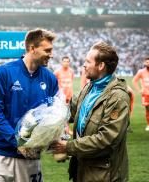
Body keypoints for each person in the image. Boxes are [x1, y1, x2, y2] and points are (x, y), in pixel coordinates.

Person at [0, 28, 58, 182]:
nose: (51, 54)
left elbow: (53, 115)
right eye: (47, 50)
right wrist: (17, 142)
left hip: (31, 158)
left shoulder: (50, 79)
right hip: (0, 155)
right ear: (32, 48)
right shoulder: (4, 72)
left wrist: (58, 136)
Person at [50, 41, 130, 182]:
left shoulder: (117, 97)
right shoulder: (89, 88)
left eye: (88, 61)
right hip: (82, 170)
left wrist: (68, 147)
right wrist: (42, 123)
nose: (84, 65)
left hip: (104, 175)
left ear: (100, 66)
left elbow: (107, 139)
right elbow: (67, 112)